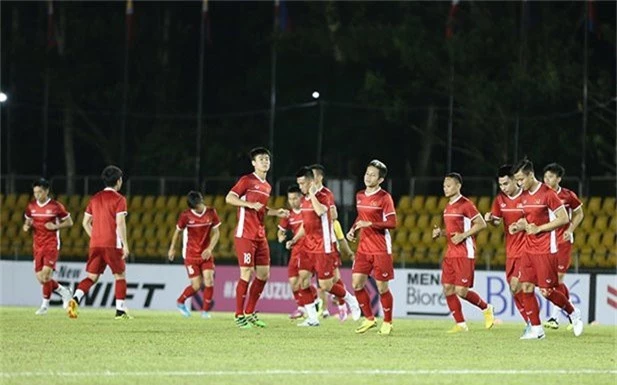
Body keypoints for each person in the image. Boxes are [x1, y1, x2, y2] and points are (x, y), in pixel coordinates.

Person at [511, 158, 583, 339]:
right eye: (517, 180)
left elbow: (563, 218)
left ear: (530, 175)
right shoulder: (524, 195)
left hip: (546, 248)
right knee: (525, 287)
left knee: (547, 291)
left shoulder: (548, 193)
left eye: (521, 179)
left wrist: (539, 229)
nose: (519, 184)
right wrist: (519, 225)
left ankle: (573, 313)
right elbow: (528, 220)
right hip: (528, 248)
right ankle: (537, 329)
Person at [287, 167, 361, 327]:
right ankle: (312, 318)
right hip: (307, 247)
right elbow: (305, 224)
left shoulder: (323, 196)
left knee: (326, 285)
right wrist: (295, 239)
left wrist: (312, 194)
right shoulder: (305, 199)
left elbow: (321, 212)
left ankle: (351, 300)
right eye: (298, 184)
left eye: (303, 183)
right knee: (303, 281)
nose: (300, 187)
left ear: (311, 182)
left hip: (323, 247)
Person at [225, 147, 289, 329]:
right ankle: (239, 316)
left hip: (260, 235)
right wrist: (248, 203)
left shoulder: (267, 186)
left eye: (267, 159)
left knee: (263, 274)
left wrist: (277, 212)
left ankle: (250, 312)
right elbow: (229, 198)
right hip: (245, 234)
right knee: (246, 273)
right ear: (254, 163)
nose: (265, 162)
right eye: (261, 159)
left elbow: (261, 208)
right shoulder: (247, 180)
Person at [431, 172, 494, 333]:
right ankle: (460, 323)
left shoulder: (466, 204)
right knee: (447, 288)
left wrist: (464, 236)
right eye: (444, 185)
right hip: (451, 253)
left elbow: (481, 224)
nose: (445, 188)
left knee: (461, 291)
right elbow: (454, 231)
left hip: (465, 252)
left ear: (458, 186)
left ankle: (486, 308)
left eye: (449, 185)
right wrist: (442, 233)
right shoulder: (448, 207)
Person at [66, 166, 131, 319]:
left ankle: (75, 299)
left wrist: (95, 237)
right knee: (120, 276)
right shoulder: (119, 199)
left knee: (91, 277)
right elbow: (120, 223)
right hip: (112, 244)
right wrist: (125, 245)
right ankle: (120, 311)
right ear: (118, 181)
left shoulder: (95, 198)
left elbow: (85, 222)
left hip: (95, 244)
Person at [346, 160, 397, 335]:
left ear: (380, 179)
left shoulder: (385, 197)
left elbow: (392, 222)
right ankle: (369, 318)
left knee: (382, 288)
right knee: (357, 284)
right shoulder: (360, 195)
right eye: (367, 173)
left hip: (381, 248)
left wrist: (371, 223)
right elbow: (360, 218)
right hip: (363, 248)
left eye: (373, 175)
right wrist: (353, 230)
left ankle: (388, 322)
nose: (368, 177)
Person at [542, 163, 585, 330]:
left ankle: (554, 317)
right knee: (551, 282)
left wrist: (570, 229)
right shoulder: (541, 196)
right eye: (545, 177)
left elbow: (579, 213)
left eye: (551, 177)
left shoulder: (567, 195)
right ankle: (573, 311)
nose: (547, 180)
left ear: (558, 179)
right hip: (546, 241)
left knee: (557, 279)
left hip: (563, 241)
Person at [484, 165, 528, 325]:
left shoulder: (526, 197)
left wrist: (524, 224)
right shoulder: (499, 200)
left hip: (528, 248)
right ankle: (530, 322)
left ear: (515, 181)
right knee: (513, 288)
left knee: (520, 285)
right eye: (500, 185)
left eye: (506, 184)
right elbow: (497, 222)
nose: (503, 188)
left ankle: (533, 323)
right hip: (511, 250)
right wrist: (491, 220)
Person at [22, 178, 73, 315]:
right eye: (35, 192)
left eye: (39, 192)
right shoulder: (31, 206)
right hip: (37, 245)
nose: (37, 195)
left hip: (51, 244)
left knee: (45, 276)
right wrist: (27, 226)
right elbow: (28, 221)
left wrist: (55, 226)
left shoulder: (56, 206)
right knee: (41, 279)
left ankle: (44, 306)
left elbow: (69, 222)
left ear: (46, 191)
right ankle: (64, 291)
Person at [168, 191, 221, 319]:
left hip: (205, 254)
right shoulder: (185, 216)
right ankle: (180, 302)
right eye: (195, 208)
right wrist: (172, 248)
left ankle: (205, 311)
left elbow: (217, 233)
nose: (198, 209)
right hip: (190, 255)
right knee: (196, 286)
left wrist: (210, 249)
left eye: (198, 206)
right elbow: (177, 232)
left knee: (209, 280)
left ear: (201, 201)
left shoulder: (211, 212)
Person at [309, 164, 350, 321]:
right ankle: (324, 309)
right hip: (313, 243)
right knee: (320, 279)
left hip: (328, 242)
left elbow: (333, 215)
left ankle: (343, 305)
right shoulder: (308, 194)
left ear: (319, 177)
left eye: (312, 176)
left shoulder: (326, 194)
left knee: (333, 278)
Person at [277, 185, 316, 320]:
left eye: (295, 198)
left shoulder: (308, 209)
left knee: (302, 281)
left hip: (309, 249)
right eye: (290, 199)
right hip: (295, 250)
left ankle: (304, 307)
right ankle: (309, 301)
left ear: (301, 197)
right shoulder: (288, 215)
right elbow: (281, 231)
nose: (292, 201)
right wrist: (281, 236)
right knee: (293, 282)